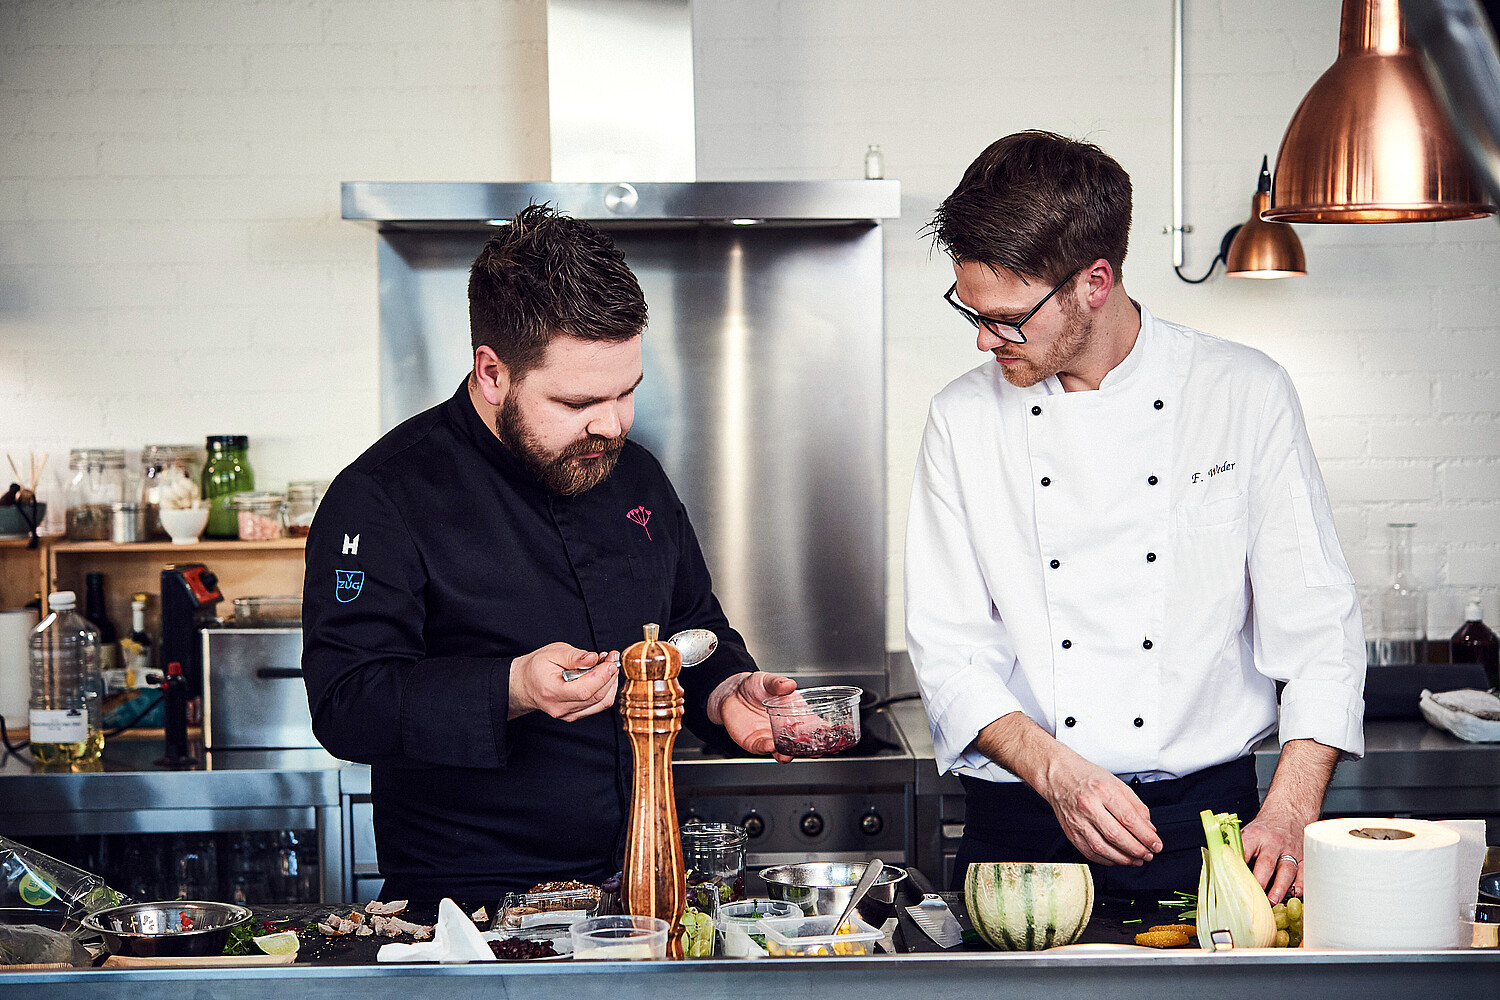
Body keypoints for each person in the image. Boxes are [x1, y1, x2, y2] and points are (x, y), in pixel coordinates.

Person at [905, 132, 1365, 902]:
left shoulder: (1241, 393)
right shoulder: (960, 418)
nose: (986, 340)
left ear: (1095, 280)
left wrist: (1291, 807)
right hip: (1021, 832)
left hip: (1203, 830)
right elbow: (948, 648)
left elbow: (1319, 629)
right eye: (972, 312)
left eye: (1009, 318)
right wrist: (1056, 773)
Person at [302, 204, 796, 901]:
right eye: (578, 401)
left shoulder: (637, 472)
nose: (613, 423)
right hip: (470, 912)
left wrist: (724, 692)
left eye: (628, 392)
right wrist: (513, 686)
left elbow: (695, 623)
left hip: (642, 887)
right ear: (492, 372)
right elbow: (348, 703)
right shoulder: (381, 497)